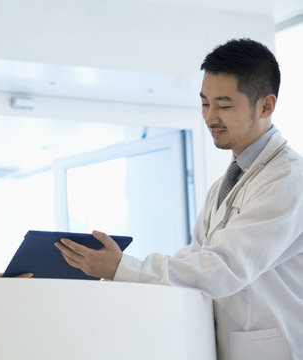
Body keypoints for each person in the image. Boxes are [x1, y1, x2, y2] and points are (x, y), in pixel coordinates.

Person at [55, 39, 303, 360]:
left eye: (224, 105)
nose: (210, 117)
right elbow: (197, 257)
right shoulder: (226, 183)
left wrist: (125, 268)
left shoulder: (288, 179)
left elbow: (223, 268)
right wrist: (124, 270)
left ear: (266, 106)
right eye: (204, 103)